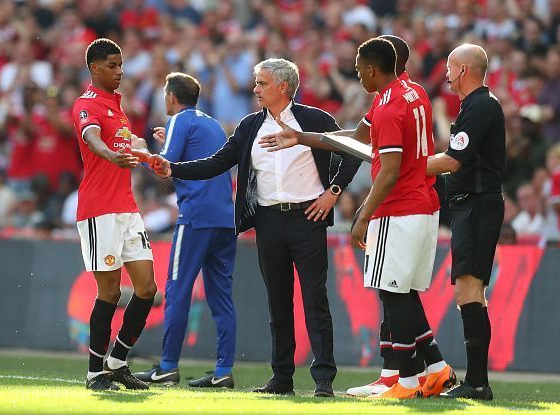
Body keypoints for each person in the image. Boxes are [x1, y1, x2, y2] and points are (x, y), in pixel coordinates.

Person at [151, 58, 362, 397]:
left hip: (309, 218)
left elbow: (352, 151)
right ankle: (282, 379)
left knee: (314, 299)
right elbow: (219, 162)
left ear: (283, 87)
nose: (255, 89)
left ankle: (324, 380)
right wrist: (173, 169)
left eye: (261, 83)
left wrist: (332, 193)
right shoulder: (250, 125)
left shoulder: (314, 119)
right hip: (267, 220)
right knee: (278, 303)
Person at [258, 38, 454, 400]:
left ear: (373, 69)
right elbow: (356, 140)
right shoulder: (412, 94)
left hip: (398, 207)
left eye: (360, 69)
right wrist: (300, 137)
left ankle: (407, 382)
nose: (357, 75)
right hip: (424, 205)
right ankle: (434, 369)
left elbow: (389, 169)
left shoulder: (388, 107)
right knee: (402, 293)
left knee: (394, 294)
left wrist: (363, 214)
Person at [133, 72, 237, 388]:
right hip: (225, 218)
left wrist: (140, 150)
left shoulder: (180, 120)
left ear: (171, 97)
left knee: (178, 290)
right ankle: (223, 372)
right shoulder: (213, 124)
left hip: (195, 217)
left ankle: (167, 367)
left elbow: (163, 171)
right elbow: (197, 159)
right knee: (222, 298)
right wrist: (170, 145)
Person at [71, 38, 156, 391]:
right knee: (108, 292)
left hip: (127, 209)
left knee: (147, 288)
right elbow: (92, 138)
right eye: (112, 65)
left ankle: (118, 361)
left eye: (121, 65)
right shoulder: (85, 103)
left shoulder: (118, 108)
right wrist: (109, 155)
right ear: (94, 67)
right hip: (99, 211)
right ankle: (95, 374)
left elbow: (131, 142)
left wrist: (149, 155)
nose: (119, 71)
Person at [427, 43, 506, 401]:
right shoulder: (473, 107)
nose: (445, 73)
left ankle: (477, 383)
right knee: (470, 292)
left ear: (462, 70)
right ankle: (476, 381)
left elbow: (454, 160)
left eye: (449, 66)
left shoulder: (481, 106)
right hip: (469, 206)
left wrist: (403, 167)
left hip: (476, 204)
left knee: (469, 289)